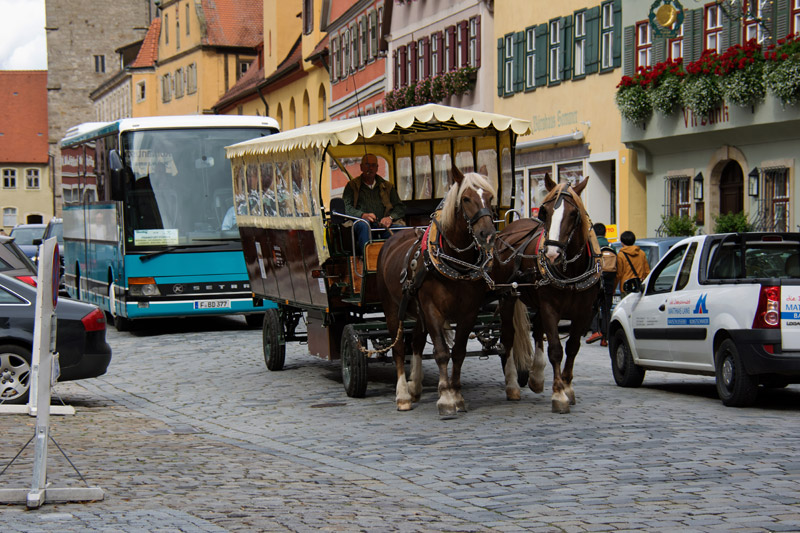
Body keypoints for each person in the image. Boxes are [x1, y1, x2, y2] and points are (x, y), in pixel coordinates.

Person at [342, 153, 406, 255]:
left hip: (383, 226)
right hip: (362, 225)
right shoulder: (352, 186)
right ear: (361, 167)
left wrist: (390, 218)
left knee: (404, 231)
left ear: (377, 168)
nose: (370, 168)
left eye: (373, 165)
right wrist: (363, 215)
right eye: (367, 165)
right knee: (364, 225)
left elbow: (400, 207)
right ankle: (368, 261)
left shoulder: (387, 186)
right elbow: (346, 207)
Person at [586, 223, 614, 346]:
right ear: (605, 233)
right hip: (609, 281)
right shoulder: (611, 247)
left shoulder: (592, 245)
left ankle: (595, 331)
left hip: (595, 280)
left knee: (593, 306)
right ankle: (605, 338)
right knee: (606, 309)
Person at [615, 230, 651, 296]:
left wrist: (613, 288)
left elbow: (619, 274)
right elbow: (647, 271)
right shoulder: (642, 253)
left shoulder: (621, 255)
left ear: (622, 242)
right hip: (638, 286)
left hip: (625, 287)